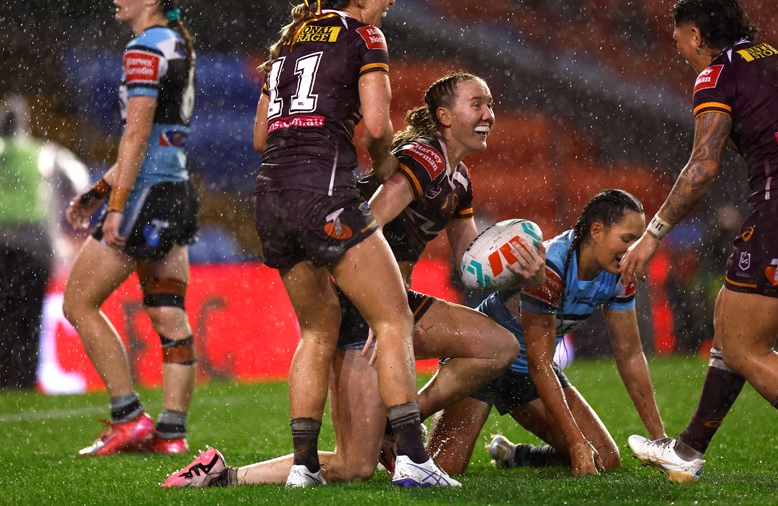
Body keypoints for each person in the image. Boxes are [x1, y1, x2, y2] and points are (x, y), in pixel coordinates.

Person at [162, 73, 544, 488]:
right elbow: (368, 224)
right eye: (478, 104)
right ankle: (222, 474)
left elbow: (471, 264)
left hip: (395, 306)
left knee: (497, 347)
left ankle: (398, 420)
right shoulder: (423, 159)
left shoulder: (459, 179)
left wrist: (520, 269)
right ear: (445, 116)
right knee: (353, 467)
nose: (489, 114)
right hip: (361, 307)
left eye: (490, 104)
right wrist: (378, 311)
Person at [210, 0, 452, 488]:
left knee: (317, 330)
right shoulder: (365, 38)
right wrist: (387, 165)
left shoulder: (287, 43)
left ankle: (303, 468)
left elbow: (259, 138)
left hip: (271, 197)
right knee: (393, 318)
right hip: (324, 193)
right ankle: (413, 459)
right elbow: (376, 124)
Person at [619, 0, 778, 488]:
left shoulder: (718, 74)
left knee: (746, 349)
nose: (680, 54)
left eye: (679, 43)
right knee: (728, 320)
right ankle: (688, 449)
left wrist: (653, 234)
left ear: (696, 35)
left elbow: (702, 168)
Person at [425, 189, 667, 476]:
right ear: (597, 231)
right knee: (444, 468)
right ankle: (399, 436)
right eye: (627, 239)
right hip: (484, 360)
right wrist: (576, 442)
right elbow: (540, 365)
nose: (633, 249)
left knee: (606, 459)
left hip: (531, 368)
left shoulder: (621, 272)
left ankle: (518, 455)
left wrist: (660, 442)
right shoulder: (552, 264)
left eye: (637, 241)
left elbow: (629, 354)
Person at [63, 0, 199, 456]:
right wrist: (99, 191)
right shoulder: (177, 43)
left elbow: (137, 134)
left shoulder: (144, 47)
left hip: (145, 194)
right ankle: (172, 433)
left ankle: (128, 418)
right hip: (177, 191)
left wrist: (115, 205)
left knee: (77, 302)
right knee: (168, 314)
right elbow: (162, 136)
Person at [0, 95, 90, 389]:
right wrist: (71, 225)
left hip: (2, 245)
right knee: (28, 318)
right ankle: (22, 381)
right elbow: (80, 182)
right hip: (35, 247)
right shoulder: (46, 153)